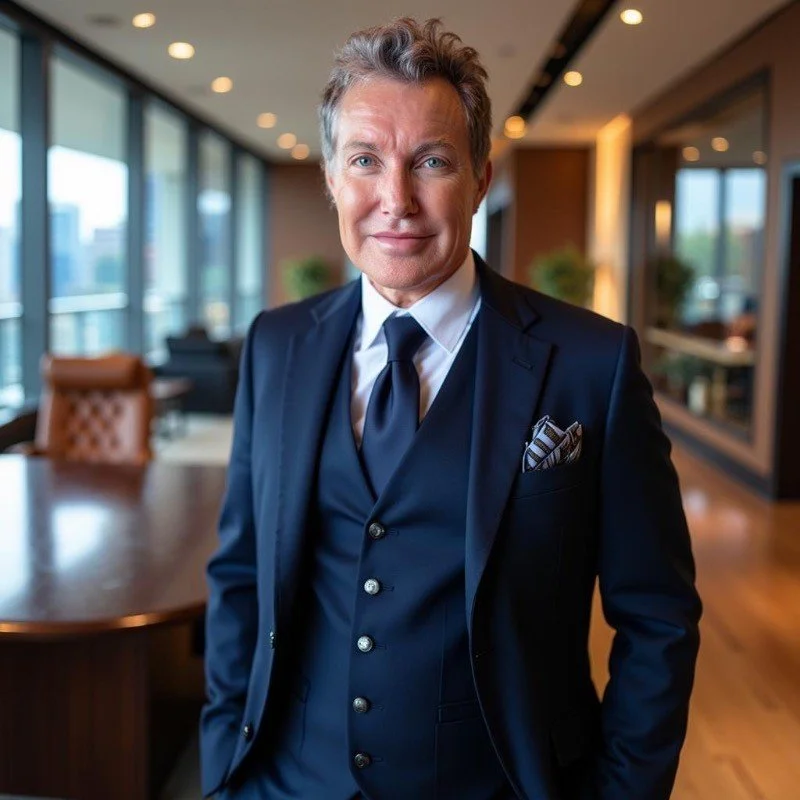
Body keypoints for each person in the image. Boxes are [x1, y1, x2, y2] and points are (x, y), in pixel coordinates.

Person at [201, 18, 701, 800]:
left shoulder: (591, 363)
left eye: (430, 161)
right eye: (365, 161)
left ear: (479, 177)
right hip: (285, 781)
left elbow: (658, 617)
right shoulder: (277, 344)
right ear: (333, 175)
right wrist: (223, 768)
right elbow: (239, 575)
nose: (394, 200)